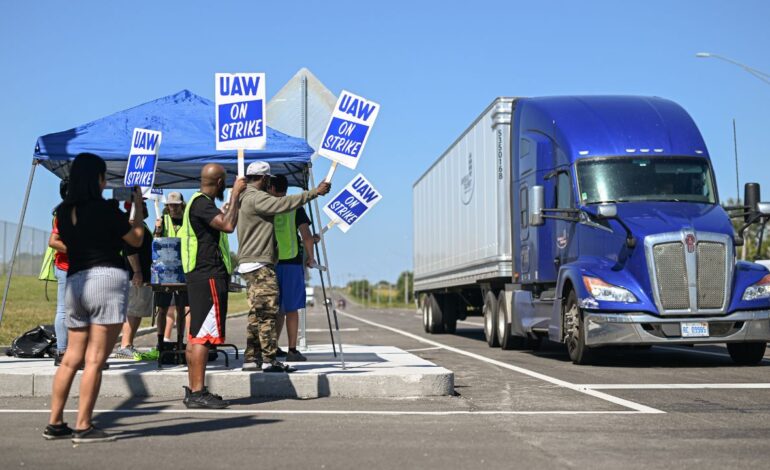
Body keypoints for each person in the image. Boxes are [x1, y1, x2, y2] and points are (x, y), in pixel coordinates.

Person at [45, 153, 145, 443]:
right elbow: (136, 238)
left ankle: (55, 422)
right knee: (95, 359)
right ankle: (84, 425)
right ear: (97, 179)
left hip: (76, 281)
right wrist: (137, 207)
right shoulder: (104, 209)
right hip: (106, 279)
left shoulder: (63, 212)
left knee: (71, 358)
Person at [237, 162, 330, 372]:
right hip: (261, 264)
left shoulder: (243, 196)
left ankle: (251, 358)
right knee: (269, 313)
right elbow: (285, 204)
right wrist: (315, 192)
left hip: (251, 262)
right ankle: (270, 360)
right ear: (265, 179)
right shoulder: (258, 198)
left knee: (257, 313)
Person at [179, 164, 246, 409]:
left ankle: (194, 390)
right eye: (226, 183)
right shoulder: (202, 204)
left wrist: (229, 203)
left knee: (196, 335)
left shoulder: (199, 203)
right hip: (207, 277)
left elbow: (220, 219)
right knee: (203, 338)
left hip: (200, 276)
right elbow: (228, 225)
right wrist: (236, 193)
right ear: (219, 183)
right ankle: (198, 393)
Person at [268, 175, 317, 362]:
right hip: (291, 262)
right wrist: (311, 257)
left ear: (271, 187)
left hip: (270, 262)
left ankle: (271, 346)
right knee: (291, 308)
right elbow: (306, 235)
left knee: (275, 308)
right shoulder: (295, 206)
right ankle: (292, 350)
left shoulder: (265, 206)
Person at [114, 199, 154, 359]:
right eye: (142, 205)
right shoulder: (131, 225)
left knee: (137, 311)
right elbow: (130, 250)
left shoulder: (139, 225)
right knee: (133, 310)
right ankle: (125, 345)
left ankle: (128, 344)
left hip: (140, 275)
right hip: (134, 276)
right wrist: (137, 271)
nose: (145, 207)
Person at [153, 192, 188, 342]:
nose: (173, 207)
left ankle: (180, 340)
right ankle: (161, 342)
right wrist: (158, 229)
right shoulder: (163, 220)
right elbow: (156, 243)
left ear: (181, 205)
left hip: (183, 269)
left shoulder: (188, 219)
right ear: (167, 206)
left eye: (176, 204)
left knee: (181, 309)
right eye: (170, 204)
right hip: (165, 271)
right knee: (162, 308)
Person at [48, 179, 69, 366]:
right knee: (63, 309)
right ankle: (62, 352)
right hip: (66, 268)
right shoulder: (63, 212)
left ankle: (70, 351)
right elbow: (53, 241)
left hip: (77, 268)